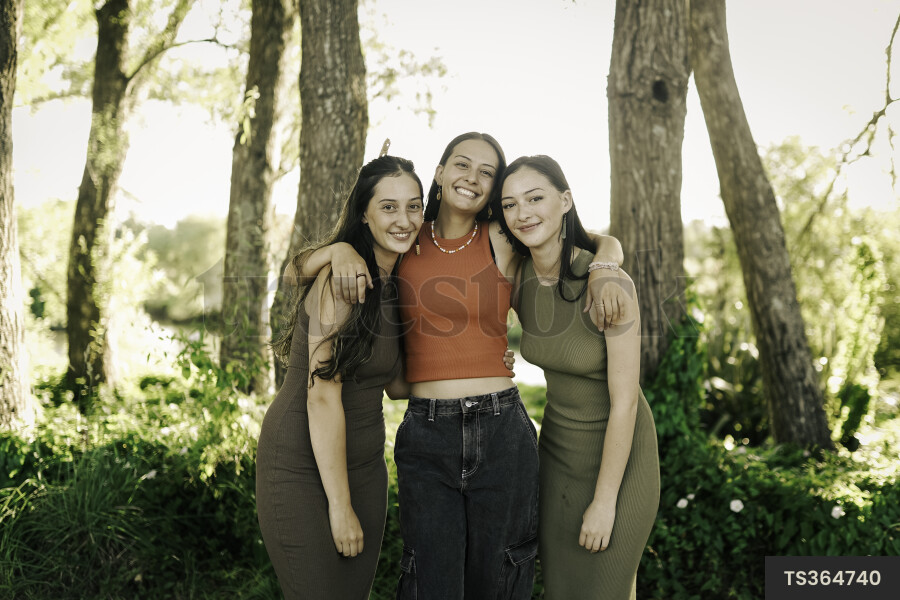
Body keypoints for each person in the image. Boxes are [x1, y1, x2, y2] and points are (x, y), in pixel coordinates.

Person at [294, 133, 628, 600]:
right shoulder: (407, 232)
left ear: (494, 188)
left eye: (486, 172)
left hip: (502, 428)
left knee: (504, 573)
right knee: (430, 578)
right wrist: (337, 251)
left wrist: (608, 263)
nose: (471, 178)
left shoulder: (501, 235)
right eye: (461, 165)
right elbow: (297, 271)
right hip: (426, 432)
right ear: (440, 171)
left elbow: (585, 236)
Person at [256, 155, 425, 600]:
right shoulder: (343, 280)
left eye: (414, 206)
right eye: (388, 207)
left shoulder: (398, 283)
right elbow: (322, 398)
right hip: (302, 467)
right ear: (363, 214)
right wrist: (340, 505)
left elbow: (398, 386)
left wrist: (475, 359)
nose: (404, 219)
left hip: (365, 467)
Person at [497, 155, 660, 600]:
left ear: (565, 200)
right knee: (562, 590)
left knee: (605, 589)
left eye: (535, 198)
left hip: (619, 462)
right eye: (510, 204)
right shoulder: (518, 278)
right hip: (556, 455)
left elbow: (625, 403)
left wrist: (605, 502)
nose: (523, 213)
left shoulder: (609, 283)